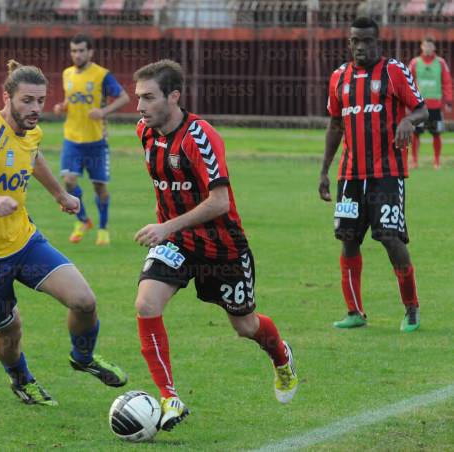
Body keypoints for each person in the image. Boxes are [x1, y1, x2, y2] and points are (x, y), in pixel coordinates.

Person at [0, 60, 127, 406]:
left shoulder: (31, 130)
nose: (35, 108)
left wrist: (59, 193)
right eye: (27, 100)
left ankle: (83, 358)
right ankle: (21, 380)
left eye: (40, 100)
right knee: (10, 330)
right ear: (6, 96)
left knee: (85, 302)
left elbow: (32, 157)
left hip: (24, 242)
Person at [132, 60, 298, 432]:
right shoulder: (144, 132)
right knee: (146, 304)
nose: (139, 106)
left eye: (148, 97)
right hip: (177, 241)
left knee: (245, 326)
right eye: (137, 97)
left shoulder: (200, 136)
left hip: (223, 248)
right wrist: (169, 231)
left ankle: (282, 355)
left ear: (174, 96)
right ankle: (169, 396)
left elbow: (220, 201)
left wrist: (165, 225)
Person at [319, 17, 428, 332]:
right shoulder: (339, 78)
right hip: (350, 176)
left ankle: (411, 308)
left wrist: (409, 122)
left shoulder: (393, 71)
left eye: (367, 40)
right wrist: (324, 171)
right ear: (350, 42)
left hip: (387, 174)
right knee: (348, 239)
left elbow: (421, 108)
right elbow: (335, 125)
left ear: (377, 42)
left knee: (390, 238)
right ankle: (354, 312)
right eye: (356, 40)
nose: (361, 46)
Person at [53, 33, 130, 245]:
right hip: (72, 139)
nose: (77, 55)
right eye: (74, 51)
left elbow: (124, 97)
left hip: (96, 142)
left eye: (81, 51)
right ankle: (83, 220)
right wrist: (62, 107)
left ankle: (103, 228)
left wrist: (104, 112)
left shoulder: (102, 75)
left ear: (90, 52)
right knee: (68, 181)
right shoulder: (67, 74)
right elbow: (70, 100)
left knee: (100, 188)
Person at [408, 36, 453, 169]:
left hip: (435, 106)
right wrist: (408, 101)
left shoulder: (440, 63)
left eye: (430, 46)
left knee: (436, 134)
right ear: (422, 47)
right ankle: (415, 161)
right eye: (425, 46)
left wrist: (449, 100)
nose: (427, 48)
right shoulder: (415, 62)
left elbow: (447, 82)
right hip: (419, 106)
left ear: (434, 47)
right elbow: (408, 82)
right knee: (416, 133)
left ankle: (437, 161)